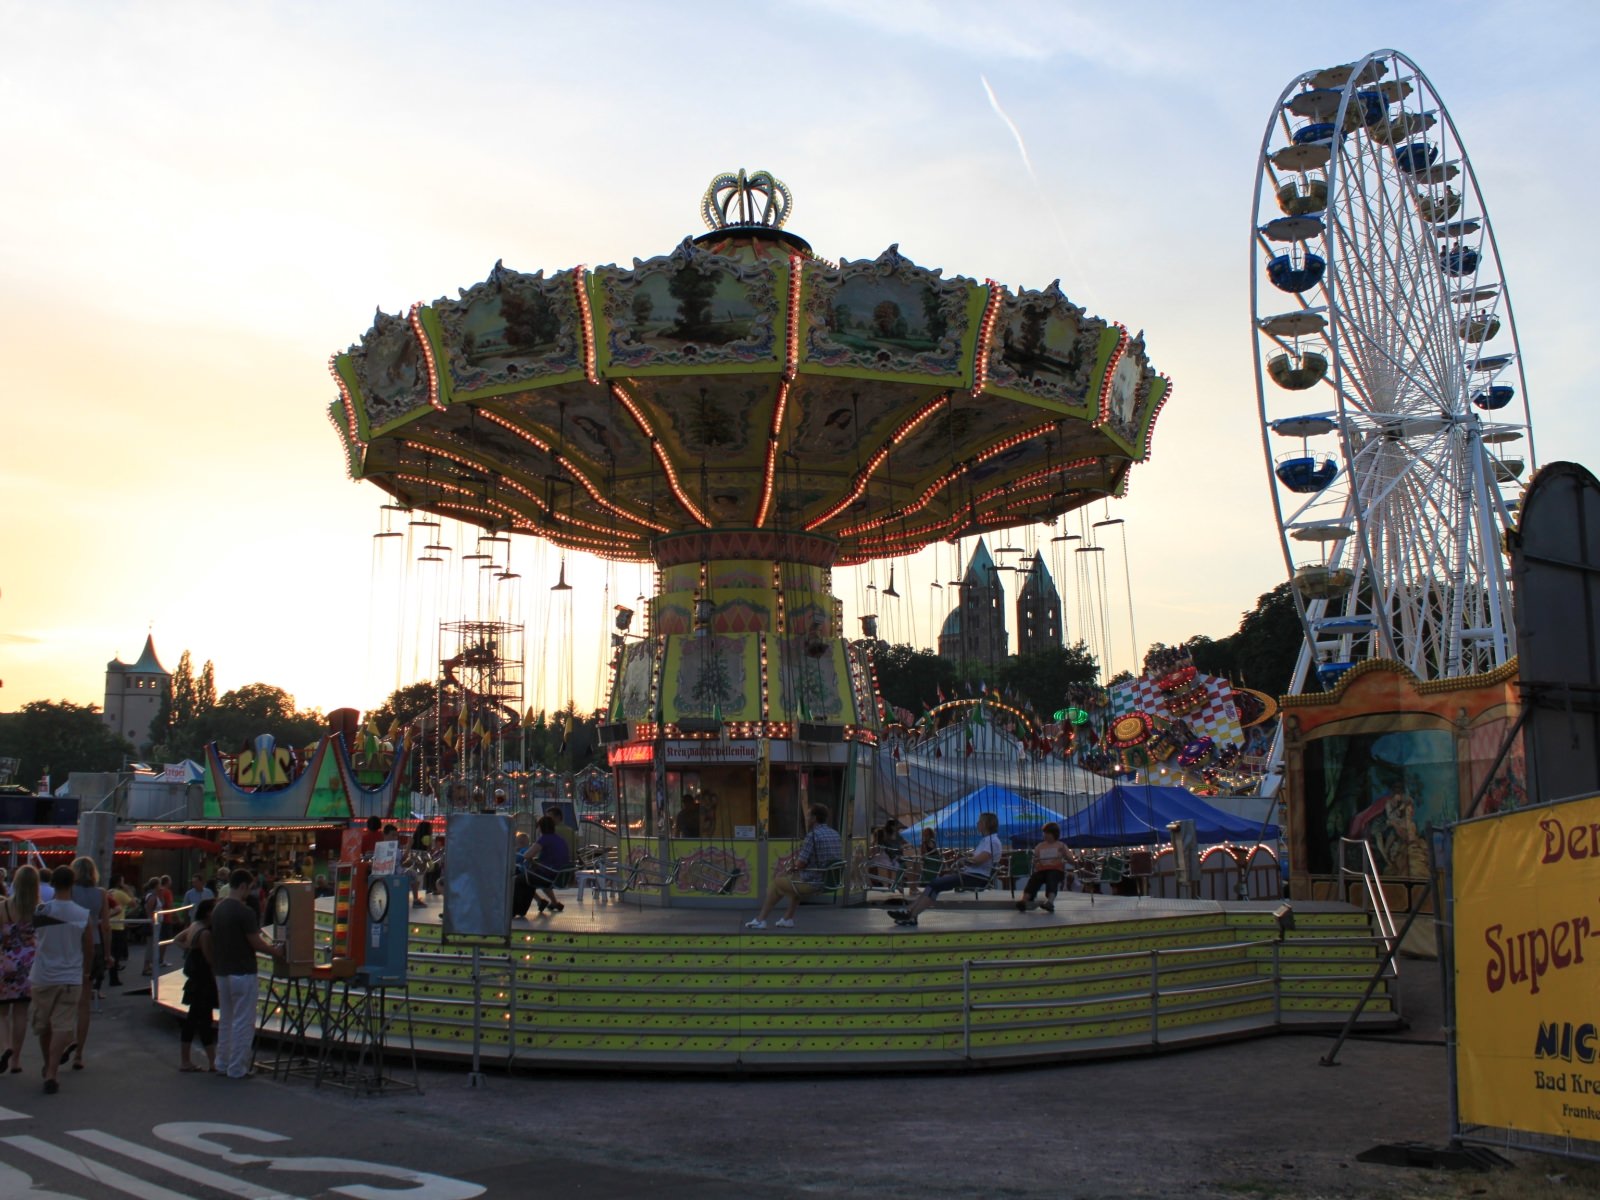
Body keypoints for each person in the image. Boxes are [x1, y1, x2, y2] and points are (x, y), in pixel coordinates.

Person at [209, 869, 285, 1079]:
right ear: (242, 886)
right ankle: (237, 1067)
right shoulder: (245, 912)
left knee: (226, 1019)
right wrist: (275, 952)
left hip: (222, 971)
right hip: (243, 971)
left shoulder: (218, 910)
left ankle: (221, 1062)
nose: (248, 892)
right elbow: (255, 941)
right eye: (249, 888)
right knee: (243, 1021)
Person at [28, 866, 92, 1095]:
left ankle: (48, 1066)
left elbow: (34, 938)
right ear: (72, 884)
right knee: (62, 1025)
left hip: (43, 974)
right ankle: (53, 1071)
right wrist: (86, 973)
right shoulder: (82, 915)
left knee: (43, 1025)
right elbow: (87, 947)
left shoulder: (41, 911)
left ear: (53, 884)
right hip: (70, 976)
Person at [890, 812, 1003, 926]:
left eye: (979, 822)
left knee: (936, 884)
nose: (977, 824)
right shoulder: (986, 841)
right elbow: (976, 859)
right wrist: (965, 860)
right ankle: (910, 912)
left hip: (977, 878)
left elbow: (978, 860)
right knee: (935, 884)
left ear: (985, 824)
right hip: (970, 875)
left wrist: (963, 860)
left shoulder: (992, 842)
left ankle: (911, 914)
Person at [745, 803, 842, 930]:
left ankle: (760, 920)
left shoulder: (812, 836)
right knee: (792, 880)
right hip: (829, 881)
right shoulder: (835, 834)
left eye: (808, 816)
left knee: (776, 883)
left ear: (814, 818)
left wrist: (789, 868)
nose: (806, 818)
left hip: (813, 882)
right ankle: (787, 918)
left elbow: (800, 863)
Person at [68, 857, 113, 1068]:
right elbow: (105, 925)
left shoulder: (70, 892)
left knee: (66, 999)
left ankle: (65, 1041)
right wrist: (107, 953)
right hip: (93, 945)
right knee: (84, 1002)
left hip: (71, 945)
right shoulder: (101, 894)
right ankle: (79, 1053)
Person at [0, 864, 40, 1076]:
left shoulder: (4, 907)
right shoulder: (39, 909)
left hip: (6, 962)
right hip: (29, 964)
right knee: (21, 1013)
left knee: (2, 1012)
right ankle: (16, 1059)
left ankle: (5, 1045)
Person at [175, 898, 217, 1072]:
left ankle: (187, 1060)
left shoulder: (195, 926)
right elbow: (210, 960)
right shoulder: (205, 934)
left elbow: (176, 939)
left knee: (193, 1020)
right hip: (204, 981)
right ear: (209, 912)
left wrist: (187, 946)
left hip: (194, 981)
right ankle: (212, 1062)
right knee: (204, 1021)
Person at [1016, 822, 1070, 914]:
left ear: (1053, 834)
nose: (1045, 835)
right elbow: (1035, 860)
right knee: (1034, 879)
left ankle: (1050, 901)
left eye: (1047, 833)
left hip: (1056, 870)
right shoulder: (1039, 846)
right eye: (1044, 833)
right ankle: (1024, 900)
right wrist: (1035, 863)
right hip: (1042, 870)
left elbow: (1070, 859)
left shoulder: (1061, 846)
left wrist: (1065, 854)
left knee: (1052, 877)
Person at [524, 816, 571, 915]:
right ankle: (554, 902)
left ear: (540, 827)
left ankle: (540, 901)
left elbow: (527, 855)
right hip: (558, 874)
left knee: (523, 878)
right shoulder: (559, 839)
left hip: (549, 874)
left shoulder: (544, 839)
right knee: (537, 874)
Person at [105, 873, 136, 988]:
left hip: (108, 925)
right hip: (118, 926)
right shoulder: (120, 894)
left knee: (109, 951)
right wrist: (128, 890)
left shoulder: (108, 892)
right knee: (116, 954)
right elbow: (133, 904)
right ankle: (114, 978)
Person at [867, 818, 906, 888]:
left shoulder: (898, 836)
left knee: (901, 864)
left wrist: (903, 847)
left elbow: (903, 843)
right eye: (896, 826)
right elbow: (882, 848)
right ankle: (893, 882)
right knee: (892, 865)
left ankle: (898, 882)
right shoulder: (886, 836)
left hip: (896, 856)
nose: (897, 827)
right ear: (892, 826)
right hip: (891, 856)